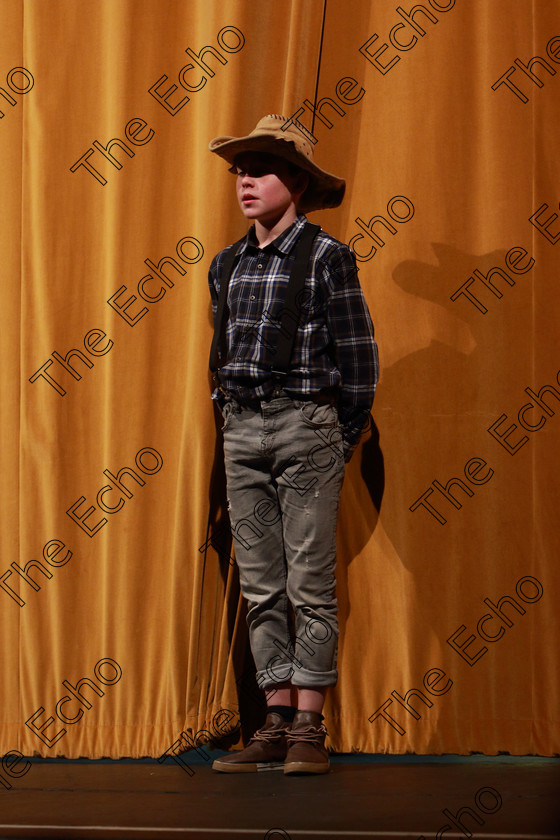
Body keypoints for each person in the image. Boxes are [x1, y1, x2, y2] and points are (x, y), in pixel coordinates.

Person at [207, 114, 379, 775]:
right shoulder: (227, 264)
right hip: (243, 428)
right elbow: (222, 353)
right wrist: (228, 417)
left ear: (298, 182)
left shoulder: (328, 256)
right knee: (259, 582)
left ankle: (310, 724)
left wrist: (338, 431)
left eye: (263, 170)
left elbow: (358, 354)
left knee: (309, 580)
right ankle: (275, 720)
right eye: (241, 171)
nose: (247, 182)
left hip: (307, 422)